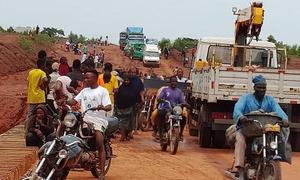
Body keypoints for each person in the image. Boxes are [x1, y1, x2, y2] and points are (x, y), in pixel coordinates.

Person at [233, 75, 289, 180]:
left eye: (264, 88)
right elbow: (237, 109)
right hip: (247, 129)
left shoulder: (270, 100)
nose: (262, 90)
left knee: (278, 137)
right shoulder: (246, 98)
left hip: (264, 130)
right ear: (255, 88)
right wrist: (241, 117)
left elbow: (278, 110)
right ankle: (240, 170)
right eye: (259, 87)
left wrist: (285, 119)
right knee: (240, 141)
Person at [62, 69, 112, 180]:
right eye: (85, 77)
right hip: (85, 119)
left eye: (87, 77)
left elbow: (109, 106)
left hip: (99, 120)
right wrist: (65, 100)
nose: (85, 79)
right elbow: (74, 101)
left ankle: (102, 173)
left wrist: (103, 107)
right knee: (70, 132)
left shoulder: (102, 91)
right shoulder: (84, 91)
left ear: (94, 78)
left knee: (99, 141)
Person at [157, 76, 188, 141]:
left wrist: (184, 104)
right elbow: (160, 97)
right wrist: (160, 99)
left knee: (183, 118)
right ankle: (161, 133)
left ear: (177, 82)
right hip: (165, 108)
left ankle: (180, 134)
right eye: (172, 81)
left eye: (175, 81)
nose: (174, 83)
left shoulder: (179, 91)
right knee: (160, 114)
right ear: (170, 82)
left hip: (175, 109)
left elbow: (182, 100)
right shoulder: (165, 90)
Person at [26, 59, 48, 135]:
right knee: (42, 114)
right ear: (43, 65)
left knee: (30, 115)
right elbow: (45, 80)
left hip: (31, 97)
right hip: (40, 97)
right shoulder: (42, 73)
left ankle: (27, 131)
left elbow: (28, 83)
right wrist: (42, 86)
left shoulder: (31, 72)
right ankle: (42, 131)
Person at [114, 74, 136, 141]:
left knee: (129, 124)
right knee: (121, 122)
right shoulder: (121, 88)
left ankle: (127, 135)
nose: (126, 82)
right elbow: (117, 96)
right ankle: (122, 136)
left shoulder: (133, 88)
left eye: (127, 80)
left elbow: (135, 98)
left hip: (129, 108)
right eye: (125, 80)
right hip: (121, 108)